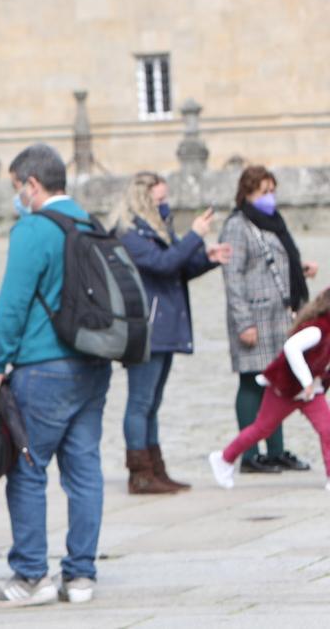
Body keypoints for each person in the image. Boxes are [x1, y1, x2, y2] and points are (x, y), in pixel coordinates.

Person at [0, 143, 111, 608]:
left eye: (17, 187)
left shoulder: (33, 229)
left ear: (32, 184)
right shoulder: (88, 223)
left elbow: (13, 304)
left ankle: (32, 575)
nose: (17, 196)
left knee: (28, 469)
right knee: (85, 470)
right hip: (94, 364)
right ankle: (80, 576)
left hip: (43, 367)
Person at [112, 172, 230, 494]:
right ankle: (140, 472)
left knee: (153, 402)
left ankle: (155, 468)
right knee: (140, 402)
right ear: (142, 199)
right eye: (160, 200)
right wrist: (194, 236)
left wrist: (208, 258)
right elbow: (162, 264)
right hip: (145, 327)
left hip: (164, 325)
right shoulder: (129, 234)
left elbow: (179, 266)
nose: (165, 206)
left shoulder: (157, 230)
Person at [219, 165, 319, 474]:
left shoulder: (273, 223)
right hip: (255, 317)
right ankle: (249, 454)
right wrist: (243, 322)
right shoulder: (238, 225)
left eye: (272, 191)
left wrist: (299, 269)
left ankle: (276, 450)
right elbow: (233, 276)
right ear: (247, 193)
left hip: (280, 317)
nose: (269, 197)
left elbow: (272, 263)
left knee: (277, 383)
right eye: (264, 192)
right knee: (252, 381)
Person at [210, 287, 330, 491]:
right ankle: (224, 458)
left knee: (327, 429)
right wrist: (305, 380)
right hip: (284, 387)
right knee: (262, 428)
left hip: (311, 391)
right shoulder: (317, 329)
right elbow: (291, 347)